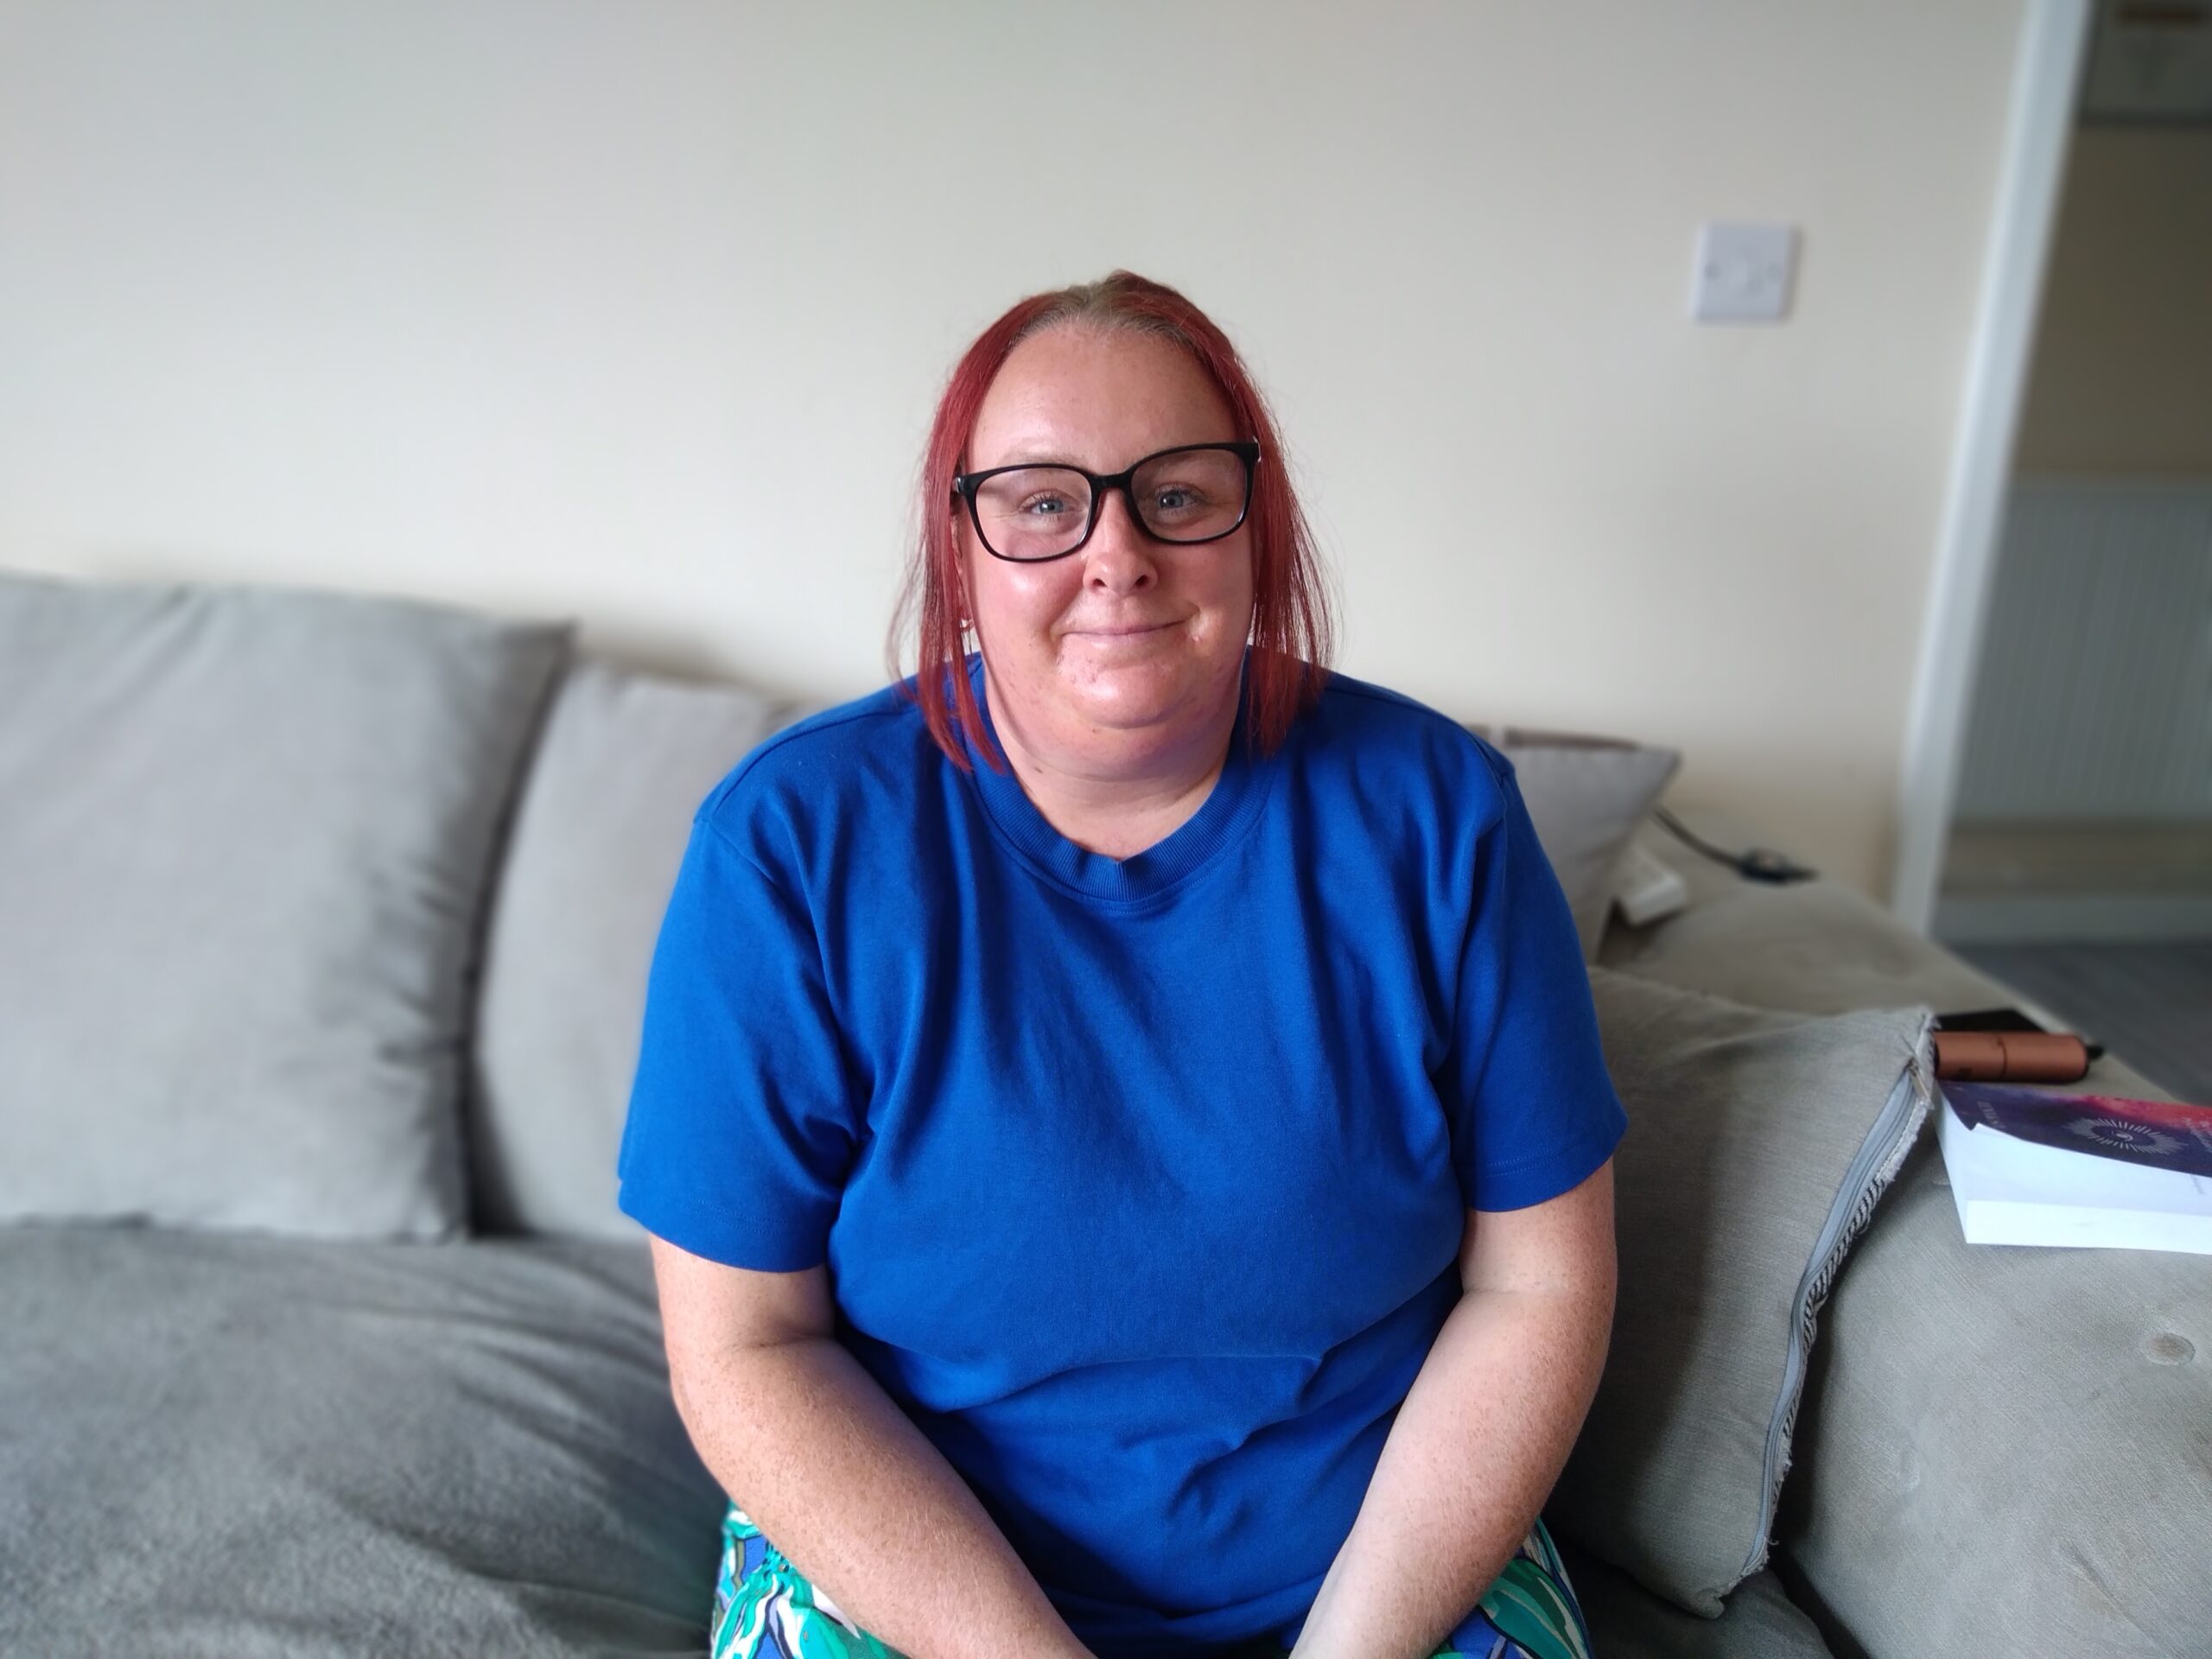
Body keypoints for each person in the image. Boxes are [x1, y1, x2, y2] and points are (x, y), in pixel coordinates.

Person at [616, 270, 1625, 1659]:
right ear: (959, 543)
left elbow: (1542, 1286)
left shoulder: (1441, 820)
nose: (1117, 555)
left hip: (1380, 1584)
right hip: (933, 1600)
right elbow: (742, 1347)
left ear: (1252, 526)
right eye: (1042, 501)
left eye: (1178, 492)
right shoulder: (788, 847)